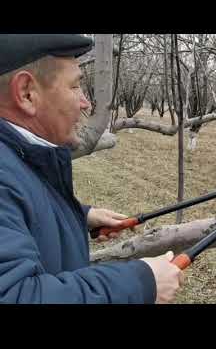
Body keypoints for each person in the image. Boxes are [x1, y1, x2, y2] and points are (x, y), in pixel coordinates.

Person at [0, 34, 184, 304]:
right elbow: (15, 295)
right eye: (75, 86)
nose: (85, 102)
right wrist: (141, 282)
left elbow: (18, 207)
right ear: (27, 93)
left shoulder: (19, 155)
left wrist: (78, 216)